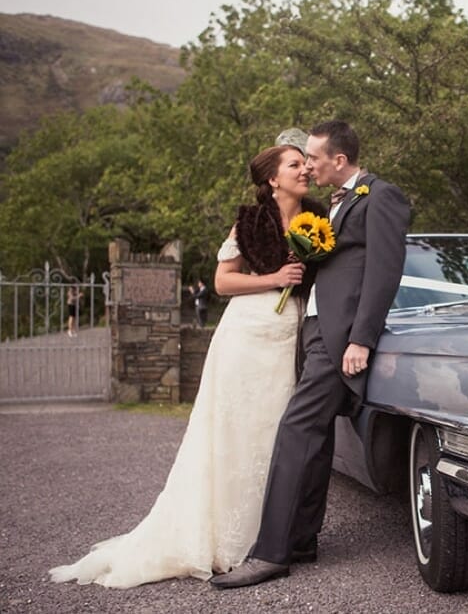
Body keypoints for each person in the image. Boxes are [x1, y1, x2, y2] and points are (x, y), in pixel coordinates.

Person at [49, 139, 327, 588]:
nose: (304, 171)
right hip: (245, 336)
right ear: (273, 178)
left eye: (304, 164)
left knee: (273, 434)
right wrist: (275, 278)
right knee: (235, 433)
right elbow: (221, 281)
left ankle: (274, 535)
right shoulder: (249, 221)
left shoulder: (318, 219)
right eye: (295, 165)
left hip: (288, 337)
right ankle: (228, 539)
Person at [210, 120, 410, 589]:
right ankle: (302, 540)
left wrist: (361, 338)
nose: (310, 165)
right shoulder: (334, 205)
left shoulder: (380, 196)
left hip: (339, 339)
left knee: (296, 430)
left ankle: (271, 553)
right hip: (312, 332)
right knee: (316, 438)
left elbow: (384, 272)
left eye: (314, 158)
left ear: (339, 160)